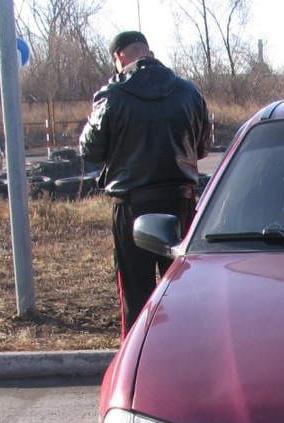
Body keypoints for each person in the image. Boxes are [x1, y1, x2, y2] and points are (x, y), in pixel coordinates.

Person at [80, 31, 212, 335]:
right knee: (183, 292)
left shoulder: (112, 95)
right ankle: (186, 355)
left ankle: (138, 363)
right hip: (181, 203)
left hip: (131, 206)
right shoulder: (188, 92)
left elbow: (90, 149)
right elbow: (202, 148)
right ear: (149, 53)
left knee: (135, 295)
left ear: (118, 58)